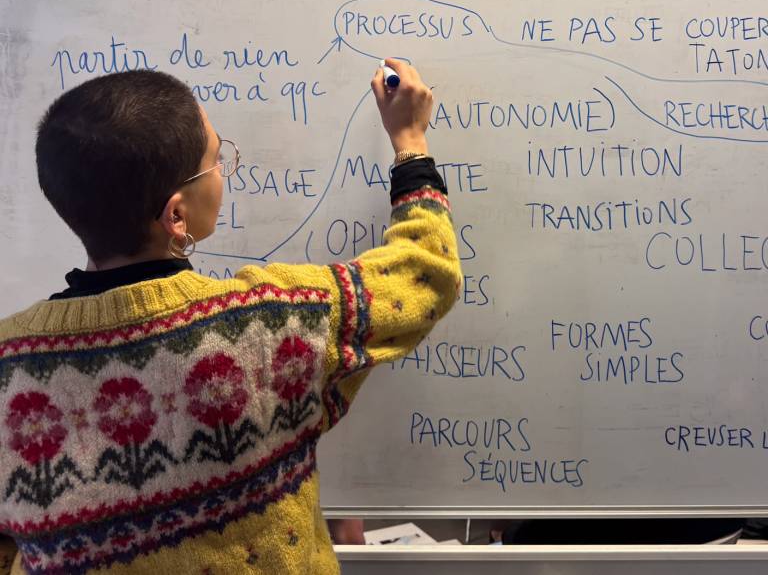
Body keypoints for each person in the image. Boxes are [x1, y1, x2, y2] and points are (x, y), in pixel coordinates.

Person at [0, 60, 461, 573]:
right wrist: (411, 145)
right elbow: (424, 275)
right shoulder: (270, 327)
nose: (225, 171)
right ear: (176, 215)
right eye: (217, 160)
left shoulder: (8, 365)